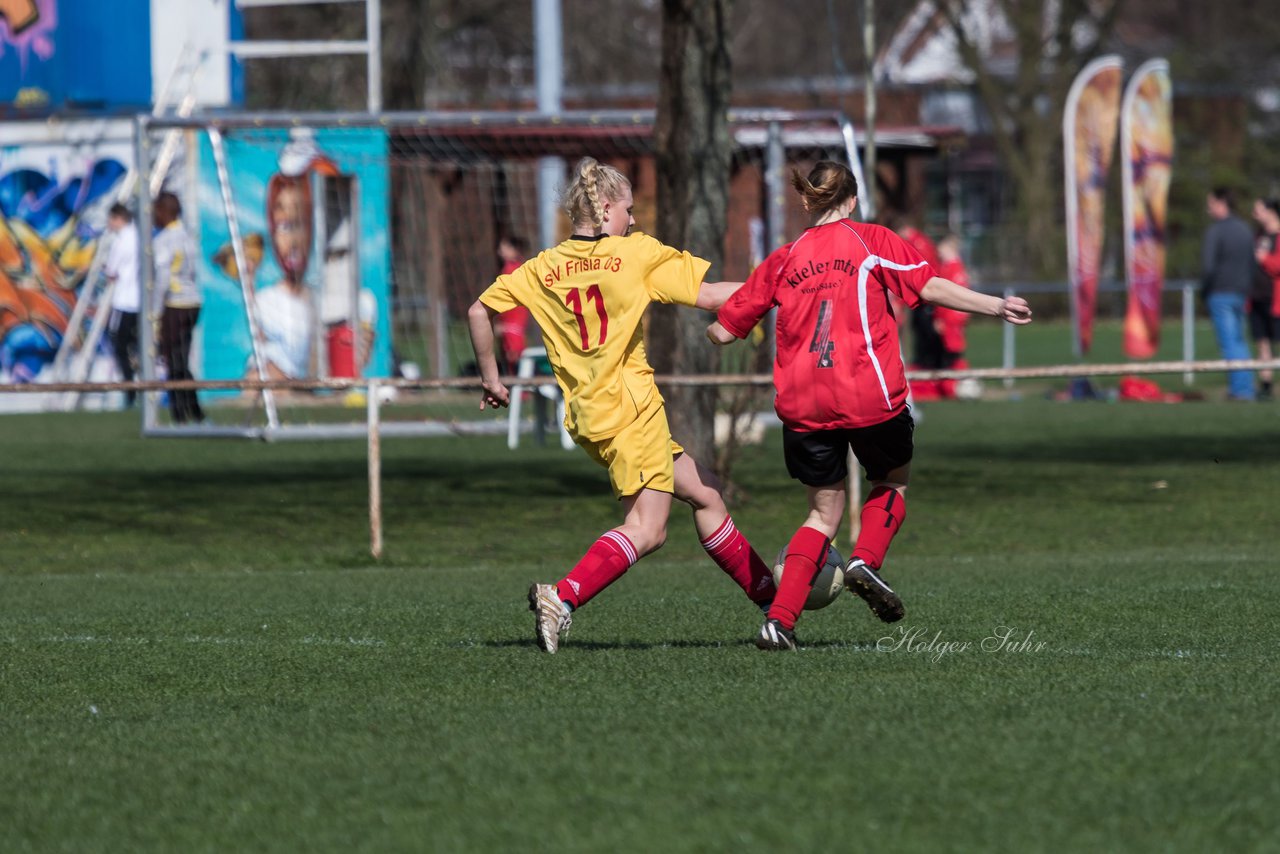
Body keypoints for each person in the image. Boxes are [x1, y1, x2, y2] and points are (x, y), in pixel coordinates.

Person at [706, 161, 1033, 651]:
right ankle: (865, 559)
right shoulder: (871, 241)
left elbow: (721, 331)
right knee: (893, 480)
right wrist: (996, 304)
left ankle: (779, 621)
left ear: (805, 202)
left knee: (821, 514)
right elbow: (926, 286)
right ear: (853, 201)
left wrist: (741, 300)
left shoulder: (783, 260)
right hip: (868, 395)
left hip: (802, 405)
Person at [467, 157, 777, 654]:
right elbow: (714, 294)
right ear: (607, 208)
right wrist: (777, 287)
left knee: (706, 494)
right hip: (634, 408)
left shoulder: (542, 267)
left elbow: (478, 309)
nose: (634, 220)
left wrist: (492, 380)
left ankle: (774, 605)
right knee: (648, 529)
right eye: (628, 210)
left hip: (590, 418)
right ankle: (561, 597)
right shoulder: (634, 255)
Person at [152, 191, 205, 424]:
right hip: (193, 303)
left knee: (173, 362)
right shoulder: (187, 235)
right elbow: (191, 272)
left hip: (175, 304)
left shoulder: (164, 240)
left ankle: (180, 415)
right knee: (181, 360)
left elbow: (163, 279)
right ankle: (194, 413)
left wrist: (155, 313)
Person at [1202, 188, 1257, 401]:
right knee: (1239, 341)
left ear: (1221, 202)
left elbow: (1208, 267)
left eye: (1211, 203)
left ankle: (1241, 391)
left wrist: (1205, 290)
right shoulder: (1245, 229)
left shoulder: (1215, 231)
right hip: (1241, 293)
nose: (1208, 208)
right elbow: (1252, 264)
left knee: (1229, 343)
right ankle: (1245, 387)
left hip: (1220, 292)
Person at [103, 203, 140, 407]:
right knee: (137, 343)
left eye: (111, 219)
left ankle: (130, 391)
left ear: (118, 218)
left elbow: (111, 272)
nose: (109, 224)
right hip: (142, 303)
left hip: (125, 301)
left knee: (119, 346)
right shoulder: (142, 236)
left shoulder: (121, 241)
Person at [933, 233, 972, 400]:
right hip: (948, 320)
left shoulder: (955, 269)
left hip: (952, 321)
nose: (939, 253)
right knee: (948, 354)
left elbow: (955, 298)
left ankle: (956, 387)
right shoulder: (947, 267)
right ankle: (950, 387)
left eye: (941, 250)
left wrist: (944, 319)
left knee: (953, 354)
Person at [1250, 198, 1280, 401]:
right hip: (1256, 297)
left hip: (1276, 299)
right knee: (1262, 342)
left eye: (1258, 210)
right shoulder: (1258, 236)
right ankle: (1266, 384)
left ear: (1271, 212)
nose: (1254, 213)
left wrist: (1264, 259)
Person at [494, 235, 530, 374]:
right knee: (515, 363)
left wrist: (503, 325)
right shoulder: (522, 269)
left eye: (504, 248)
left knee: (514, 362)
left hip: (512, 326)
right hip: (515, 326)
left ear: (514, 250)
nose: (500, 251)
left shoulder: (510, 270)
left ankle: (521, 393)